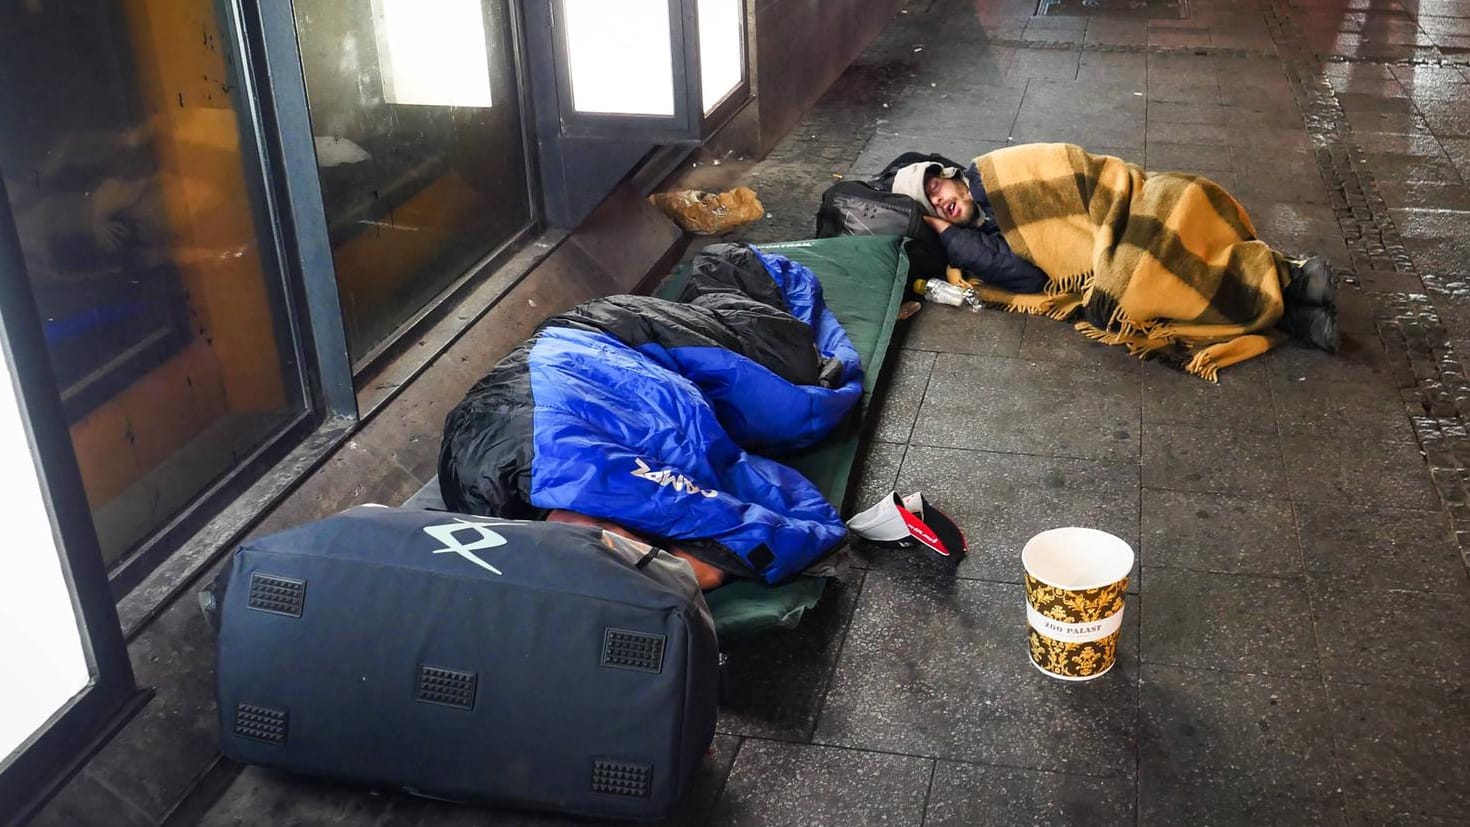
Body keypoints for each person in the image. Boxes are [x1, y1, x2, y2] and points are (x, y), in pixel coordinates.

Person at [889, 143, 1338, 380]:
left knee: (1179, 207)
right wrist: (950, 237)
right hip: (1104, 251)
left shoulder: (993, 173)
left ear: (948, 176)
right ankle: (1291, 305)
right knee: (1138, 285)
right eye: (930, 208)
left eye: (935, 189)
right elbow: (1028, 276)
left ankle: (1289, 283)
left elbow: (1079, 171)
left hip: (1129, 201)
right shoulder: (974, 244)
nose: (940, 202)